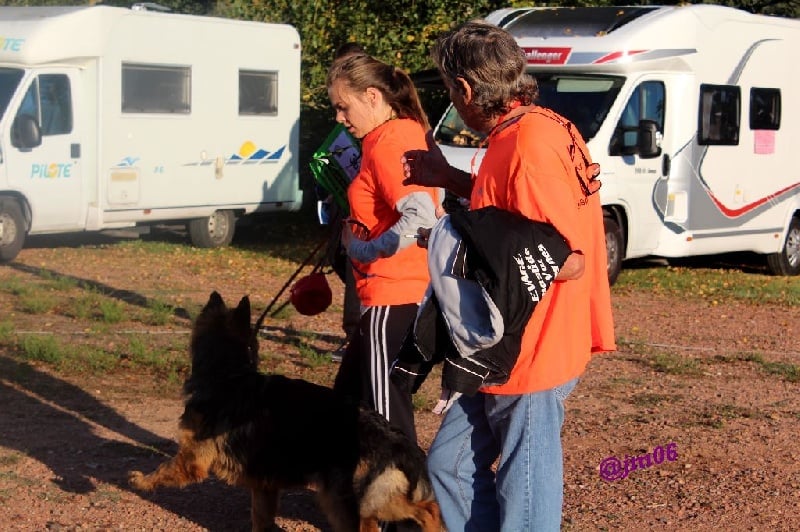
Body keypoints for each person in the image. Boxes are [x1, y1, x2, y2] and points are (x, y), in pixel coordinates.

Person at [400, 20, 616, 531]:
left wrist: (457, 245)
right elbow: (515, 215)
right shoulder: (538, 128)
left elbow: (567, 260)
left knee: (525, 491)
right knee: (448, 467)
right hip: (501, 350)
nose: (454, 100)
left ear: (467, 89)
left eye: (451, 89)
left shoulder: (529, 146)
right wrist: (449, 179)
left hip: (532, 350)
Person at [327, 53, 439, 445]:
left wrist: (365, 248)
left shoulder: (390, 141)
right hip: (397, 295)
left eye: (344, 106)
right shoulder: (397, 134)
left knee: (384, 414)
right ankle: (341, 495)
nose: (340, 118)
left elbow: (422, 216)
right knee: (346, 404)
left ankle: (410, 502)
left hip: (395, 295)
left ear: (372, 96)